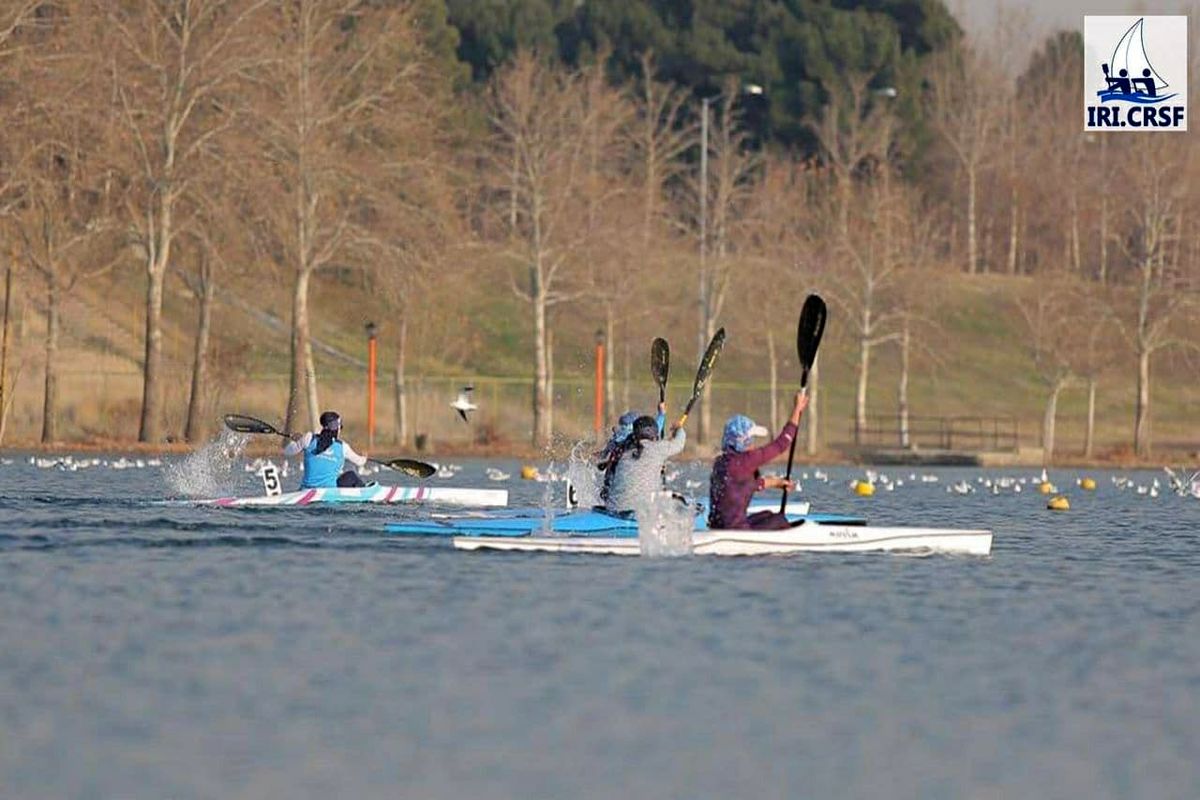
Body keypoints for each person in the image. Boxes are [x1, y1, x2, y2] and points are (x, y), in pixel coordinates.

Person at [708, 392, 809, 530]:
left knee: (767, 515)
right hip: (736, 531)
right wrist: (797, 409)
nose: (753, 444)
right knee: (779, 519)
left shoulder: (721, 462)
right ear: (741, 442)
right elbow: (782, 444)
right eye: (750, 440)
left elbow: (745, 486)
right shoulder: (745, 461)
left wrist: (777, 482)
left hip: (718, 527)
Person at [601, 414, 686, 514]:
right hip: (641, 514)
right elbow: (679, 443)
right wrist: (679, 429)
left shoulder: (623, 450)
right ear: (654, 435)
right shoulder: (658, 448)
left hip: (615, 508)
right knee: (678, 500)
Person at [283, 411, 369, 489]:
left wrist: (297, 442)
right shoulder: (343, 447)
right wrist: (364, 457)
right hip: (329, 491)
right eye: (340, 427)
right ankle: (366, 491)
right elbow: (360, 462)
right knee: (351, 475)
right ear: (337, 428)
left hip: (306, 490)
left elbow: (287, 452)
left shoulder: (308, 438)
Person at [595, 402, 667, 472]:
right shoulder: (637, 434)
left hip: (617, 471)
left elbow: (603, 454)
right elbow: (656, 428)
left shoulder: (616, 438)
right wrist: (661, 413)